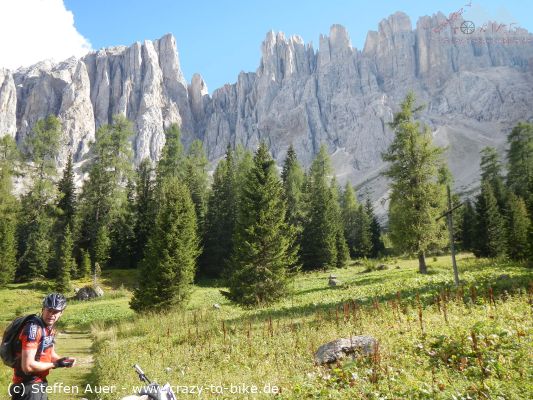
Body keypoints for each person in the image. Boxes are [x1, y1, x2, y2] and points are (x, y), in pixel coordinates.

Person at [9, 293, 76, 400]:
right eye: (49, 310)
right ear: (43, 309)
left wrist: (62, 361)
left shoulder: (49, 328)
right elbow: (28, 366)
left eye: (56, 312)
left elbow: (49, 353)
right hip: (27, 386)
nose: (51, 314)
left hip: (39, 383)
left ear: (61, 312)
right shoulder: (33, 329)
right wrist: (55, 364)